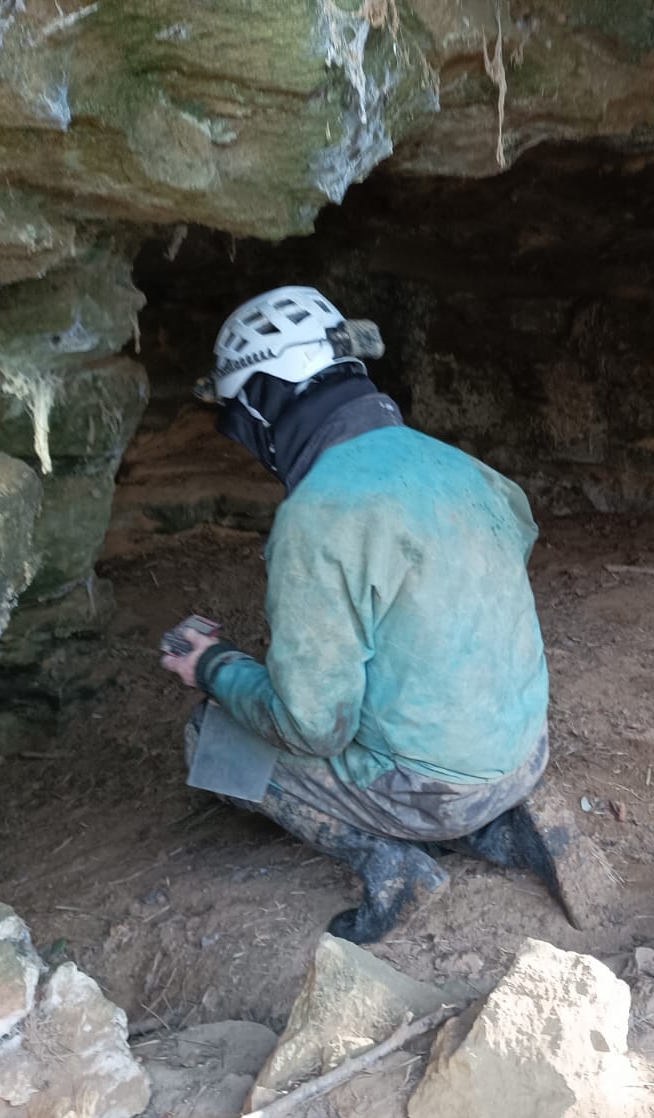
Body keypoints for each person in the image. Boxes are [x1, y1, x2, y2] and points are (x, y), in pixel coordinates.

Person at [161, 285, 569, 943]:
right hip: (524, 753)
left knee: (211, 735)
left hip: (431, 790)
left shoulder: (318, 515)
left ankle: (391, 863)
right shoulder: (464, 468)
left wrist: (213, 666)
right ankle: (496, 828)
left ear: (264, 404)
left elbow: (313, 726)